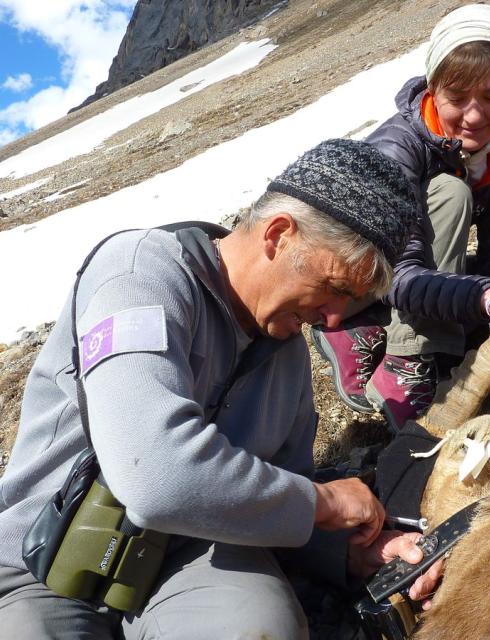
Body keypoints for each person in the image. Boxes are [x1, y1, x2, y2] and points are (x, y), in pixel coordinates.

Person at [0, 139, 442, 639]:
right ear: (279, 235)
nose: (335, 318)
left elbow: (277, 494)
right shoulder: (139, 275)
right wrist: (324, 502)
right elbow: (154, 475)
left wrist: (349, 550)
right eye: (335, 288)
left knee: (257, 629)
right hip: (38, 559)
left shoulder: (287, 352)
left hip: (192, 552)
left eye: (353, 301)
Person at [311, 4, 490, 433]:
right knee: (450, 192)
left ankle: (368, 328)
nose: (475, 116)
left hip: (402, 270)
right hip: (347, 277)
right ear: (433, 88)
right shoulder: (397, 148)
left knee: (479, 276)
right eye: (457, 98)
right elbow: (399, 274)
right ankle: (402, 353)